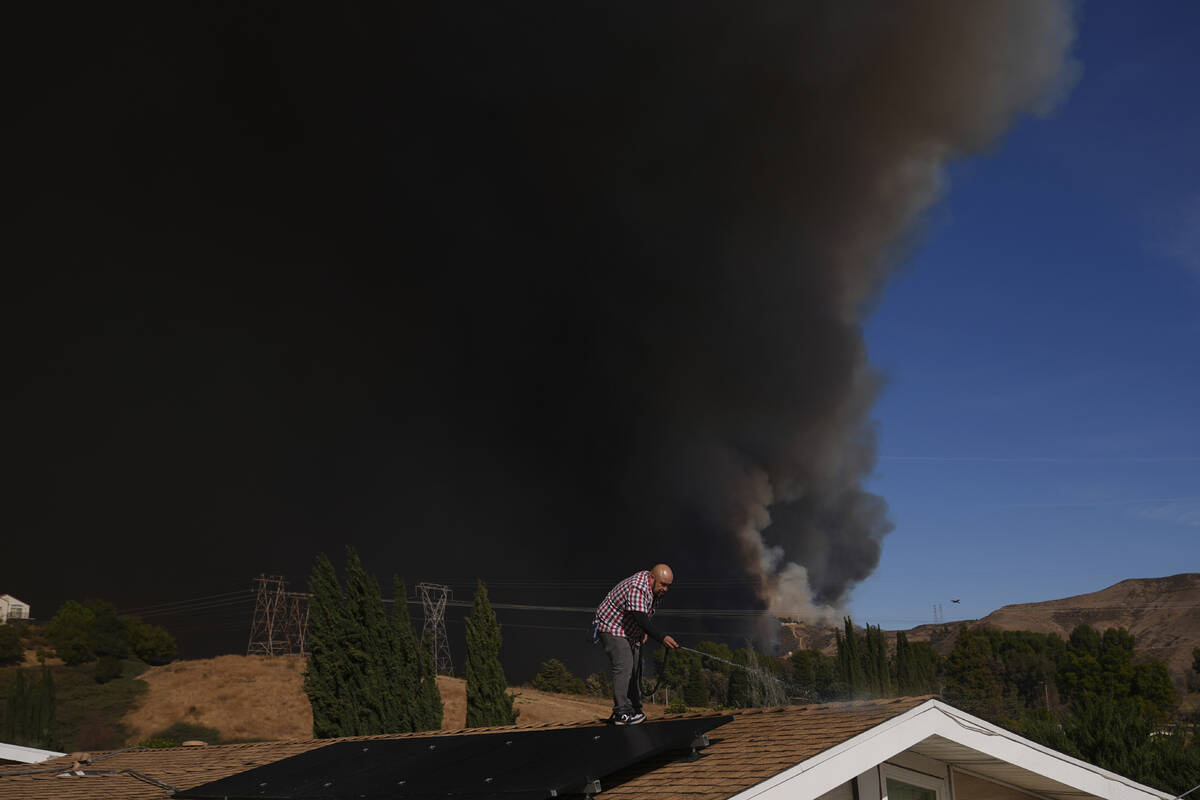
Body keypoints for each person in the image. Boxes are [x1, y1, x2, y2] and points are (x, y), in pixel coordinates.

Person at [592, 563, 680, 725]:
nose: (665, 589)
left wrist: (643, 631)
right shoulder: (637, 587)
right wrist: (662, 637)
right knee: (624, 664)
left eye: (668, 586)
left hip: (631, 630)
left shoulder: (655, 591)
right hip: (612, 627)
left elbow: (645, 615)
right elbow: (639, 616)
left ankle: (635, 708)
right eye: (663, 585)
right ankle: (622, 713)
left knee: (637, 666)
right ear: (652, 578)